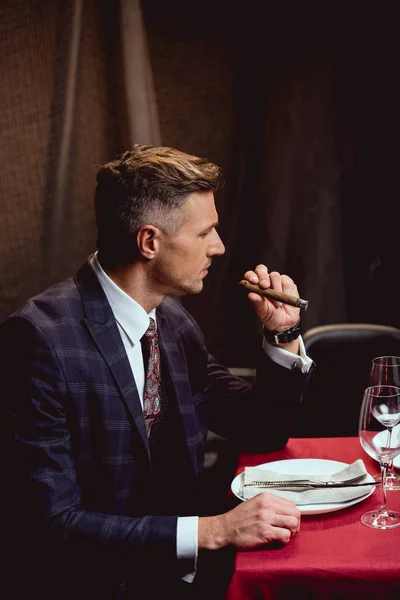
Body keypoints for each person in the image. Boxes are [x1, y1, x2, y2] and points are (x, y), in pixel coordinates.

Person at [1, 144, 313, 600]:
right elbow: (51, 525)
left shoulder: (171, 322)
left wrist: (282, 334)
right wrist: (212, 531)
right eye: (206, 231)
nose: (219, 247)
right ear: (149, 242)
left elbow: (260, 429)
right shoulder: (36, 340)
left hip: (173, 583)